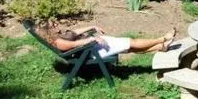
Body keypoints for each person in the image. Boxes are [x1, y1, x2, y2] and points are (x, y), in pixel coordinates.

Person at [43, 24, 176, 59]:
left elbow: (75, 33)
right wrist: (92, 38)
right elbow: (76, 44)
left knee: (129, 48)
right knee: (131, 42)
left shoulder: (60, 36)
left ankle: (161, 47)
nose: (56, 25)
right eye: (52, 25)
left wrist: (92, 27)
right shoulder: (59, 42)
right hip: (92, 51)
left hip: (93, 45)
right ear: (49, 31)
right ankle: (163, 38)